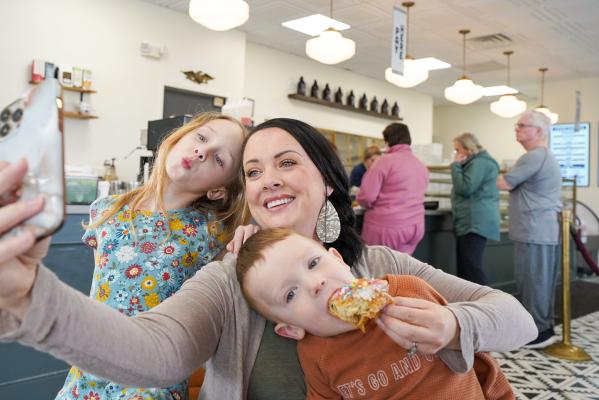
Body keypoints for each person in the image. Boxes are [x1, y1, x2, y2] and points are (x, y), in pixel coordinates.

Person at [0, 118, 536, 400]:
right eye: (252, 172)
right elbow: (155, 351)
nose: (269, 179)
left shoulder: (382, 267)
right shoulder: (227, 279)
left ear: (327, 181)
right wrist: (30, 301)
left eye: (286, 162)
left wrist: (451, 322)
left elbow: (518, 320)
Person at [56, 112, 247, 400]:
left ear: (219, 189)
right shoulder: (107, 209)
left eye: (219, 160)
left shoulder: (214, 232)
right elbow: (99, 292)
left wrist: (250, 232)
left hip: (152, 381)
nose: (201, 152)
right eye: (202, 137)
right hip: (89, 372)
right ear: (182, 136)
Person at [236, 227, 514, 400]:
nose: (315, 284)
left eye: (313, 263)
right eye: (291, 294)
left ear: (339, 261)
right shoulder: (314, 355)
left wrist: (453, 327)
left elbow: (477, 358)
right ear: (290, 329)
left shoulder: (409, 289)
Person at [497, 110, 562, 349]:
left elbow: (503, 183)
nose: (517, 128)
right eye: (517, 125)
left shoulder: (534, 156)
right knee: (538, 281)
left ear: (538, 131)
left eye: (522, 125)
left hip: (535, 230)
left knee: (534, 281)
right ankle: (542, 328)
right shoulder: (541, 156)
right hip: (538, 230)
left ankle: (539, 332)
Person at [357, 122, 428, 255]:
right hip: (415, 227)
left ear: (387, 141)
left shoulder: (384, 161)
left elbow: (366, 196)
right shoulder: (420, 165)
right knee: (401, 269)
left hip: (388, 227)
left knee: (377, 270)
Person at [451, 132, 500, 285]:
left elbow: (465, 187)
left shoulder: (479, 163)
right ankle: (469, 305)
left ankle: (489, 304)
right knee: (466, 266)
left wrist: (455, 166)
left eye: (457, 149)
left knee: (471, 267)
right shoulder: (480, 162)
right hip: (471, 220)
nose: (457, 154)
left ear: (468, 149)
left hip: (474, 221)